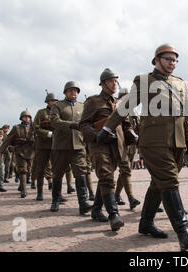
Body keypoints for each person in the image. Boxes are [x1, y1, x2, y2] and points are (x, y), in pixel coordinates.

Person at [101, 44, 188, 251]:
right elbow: (126, 105)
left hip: (177, 142)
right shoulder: (145, 81)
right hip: (154, 140)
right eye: (167, 59)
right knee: (170, 182)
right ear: (156, 60)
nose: (172, 63)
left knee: (159, 184)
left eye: (175, 60)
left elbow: (185, 113)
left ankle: (146, 223)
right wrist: (108, 127)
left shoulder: (180, 83)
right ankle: (183, 233)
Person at [80, 71, 138, 231]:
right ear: (102, 84)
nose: (114, 84)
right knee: (106, 176)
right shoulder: (93, 101)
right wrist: (97, 135)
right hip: (99, 145)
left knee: (106, 178)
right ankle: (114, 215)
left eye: (115, 81)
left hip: (116, 145)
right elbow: (83, 124)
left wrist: (132, 135)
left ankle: (97, 210)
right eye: (110, 81)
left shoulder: (120, 103)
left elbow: (126, 124)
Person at [49, 81, 93, 215]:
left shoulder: (83, 106)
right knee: (57, 173)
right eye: (70, 90)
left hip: (79, 145)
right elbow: (54, 121)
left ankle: (83, 203)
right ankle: (55, 200)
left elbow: (87, 122)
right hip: (61, 145)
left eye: (75, 90)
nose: (73, 93)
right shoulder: (57, 106)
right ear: (65, 92)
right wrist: (71, 124)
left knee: (81, 173)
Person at [113, 87, 141, 210]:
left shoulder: (133, 110)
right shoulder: (117, 107)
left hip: (132, 144)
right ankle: (131, 198)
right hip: (121, 143)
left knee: (126, 170)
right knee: (125, 170)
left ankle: (116, 195)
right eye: (124, 95)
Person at [0, 111, 36, 198]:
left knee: (29, 170)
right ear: (21, 118)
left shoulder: (34, 128)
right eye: (25, 117)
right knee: (22, 170)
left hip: (31, 152)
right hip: (20, 151)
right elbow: (8, 140)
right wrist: (0, 151)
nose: (27, 118)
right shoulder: (16, 128)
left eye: (28, 117)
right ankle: (24, 190)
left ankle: (21, 185)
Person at [33, 92, 58, 201]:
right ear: (47, 102)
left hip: (55, 145)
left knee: (56, 169)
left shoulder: (58, 113)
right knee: (40, 170)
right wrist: (47, 133)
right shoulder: (41, 113)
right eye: (52, 101)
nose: (53, 102)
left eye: (55, 101)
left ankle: (56, 194)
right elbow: (36, 127)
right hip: (43, 145)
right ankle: (39, 192)